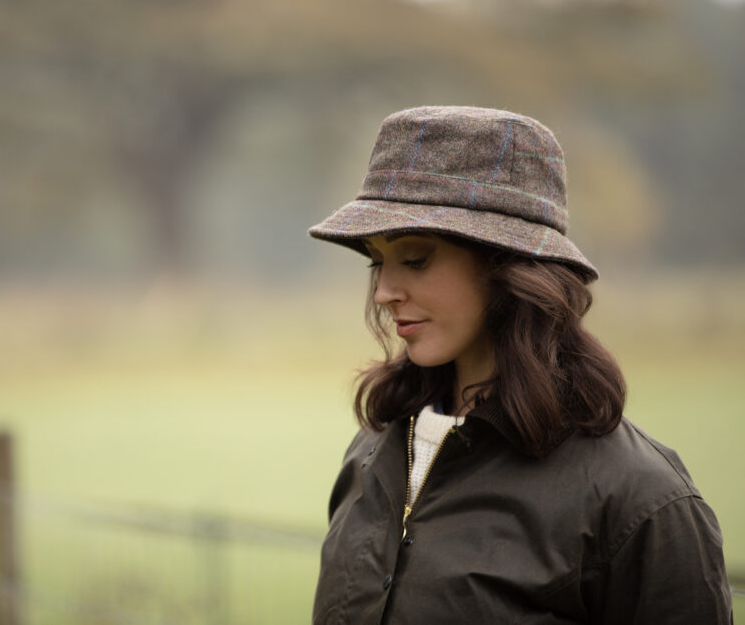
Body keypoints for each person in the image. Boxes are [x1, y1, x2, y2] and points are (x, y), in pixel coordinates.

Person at [307, 106, 733, 624]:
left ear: (508, 267)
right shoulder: (373, 452)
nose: (384, 293)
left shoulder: (639, 497)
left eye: (415, 259)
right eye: (377, 261)